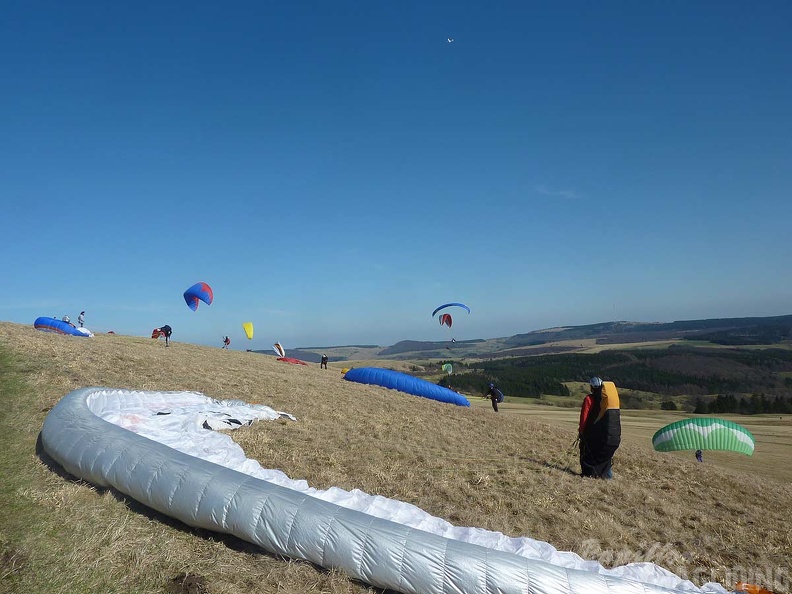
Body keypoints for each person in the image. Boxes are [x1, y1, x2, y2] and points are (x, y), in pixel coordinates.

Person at [578, 376, 621, 479]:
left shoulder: (589, 399)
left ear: (592, 387)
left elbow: (584, 417)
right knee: (605, 457)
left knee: (588, 453)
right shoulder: (607, 401)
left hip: (591, 434)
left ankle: (589, 474)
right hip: (608, 435)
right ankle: (607, 476)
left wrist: (581, 431)